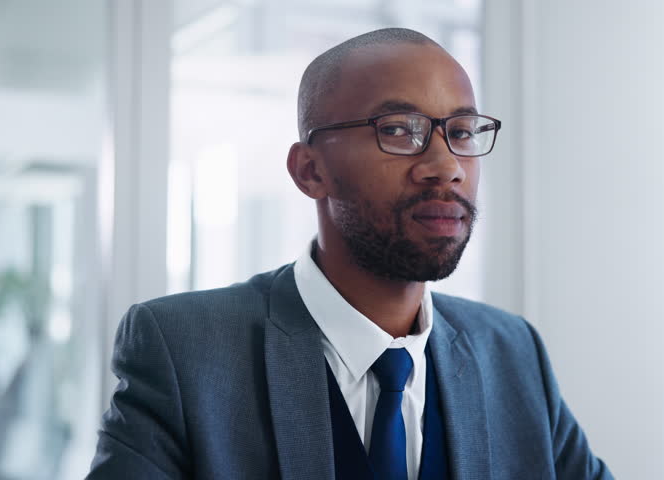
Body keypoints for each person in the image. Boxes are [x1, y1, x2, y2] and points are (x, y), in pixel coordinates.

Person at [88, 28, 613, 479]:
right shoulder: (186, 352)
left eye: (460, 133)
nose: (446, 165)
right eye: (398, 131)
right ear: (310, 171)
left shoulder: (512, 353)